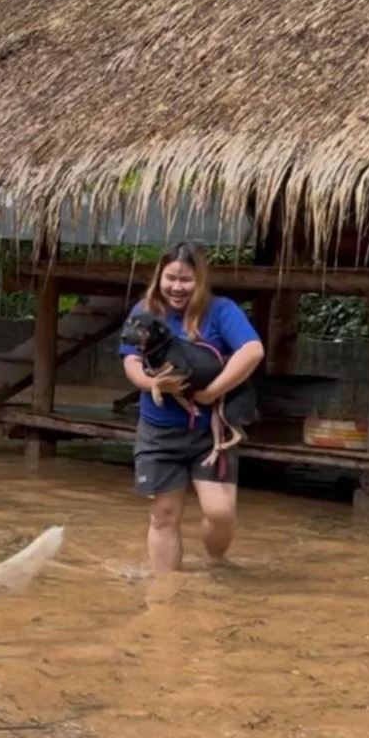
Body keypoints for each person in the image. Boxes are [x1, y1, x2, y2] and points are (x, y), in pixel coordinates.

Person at [118, 242, 265, 573]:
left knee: (220, 513)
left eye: (186, 280)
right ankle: (165, 595)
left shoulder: (221, 310)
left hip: (209, 433)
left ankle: (215, 566)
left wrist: (213, 392)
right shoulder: (146, 310)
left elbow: (252, 350)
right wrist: (150, 383)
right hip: (159, 431)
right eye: (170, 278)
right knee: (163, 515)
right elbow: (130, 359)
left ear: (200, 280)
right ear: (160, 277)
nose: (176, 287)